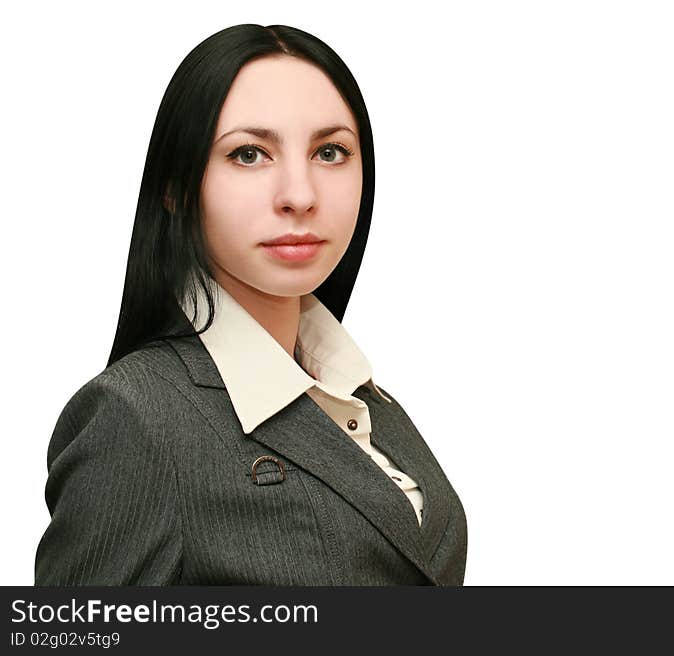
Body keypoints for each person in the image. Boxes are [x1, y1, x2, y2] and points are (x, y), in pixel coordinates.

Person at [34, 24, 467, 586]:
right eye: (248, 154)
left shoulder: (362, 399)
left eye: (330, 152)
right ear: (176, 186)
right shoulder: (136, 417)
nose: (300, 195)